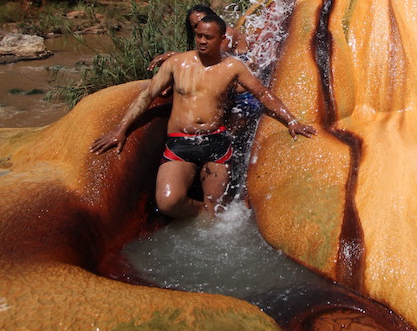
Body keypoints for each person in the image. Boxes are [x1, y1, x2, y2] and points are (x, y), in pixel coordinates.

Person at [91, 12, 316, 218]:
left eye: (208, 37)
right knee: (169, 202)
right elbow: (147, 96)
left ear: (221, 39)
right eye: (198, 36)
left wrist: (291, 121)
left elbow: (263, 94)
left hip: (216, 141)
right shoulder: (177, 63)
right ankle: (203, 212)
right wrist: (120, 130)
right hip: (180, 141)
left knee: (218, 212)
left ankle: (211, 215)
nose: (202, 41)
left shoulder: (233, 67)